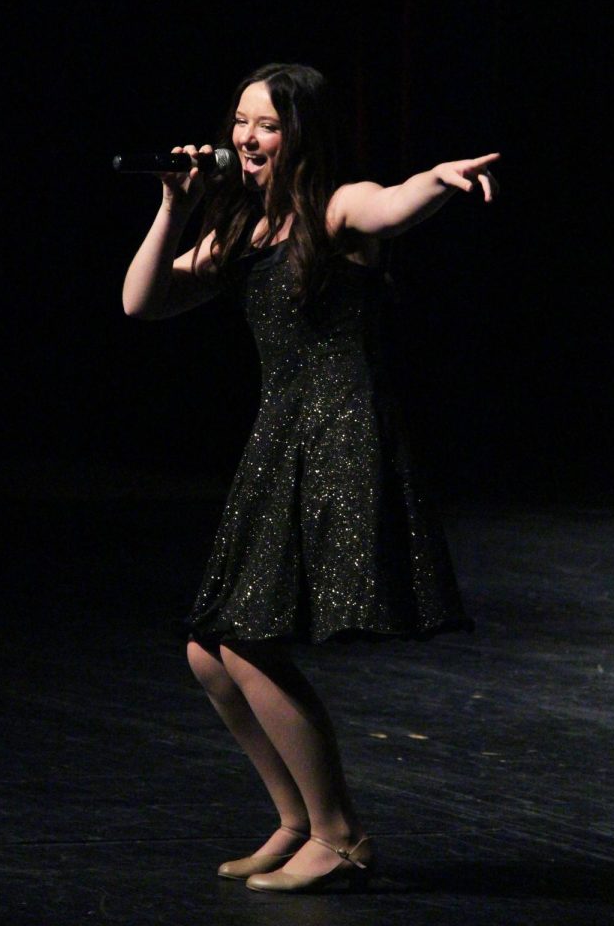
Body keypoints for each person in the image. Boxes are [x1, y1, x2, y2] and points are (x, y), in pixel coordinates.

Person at [122, 62, 499, 893]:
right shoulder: (245, 232)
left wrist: (436, 179)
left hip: (340, 436)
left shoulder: (335, 208)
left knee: (247, 640)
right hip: (279, 439)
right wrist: (172, 206)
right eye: (240, 122)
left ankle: (342, 834)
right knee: (207, 652)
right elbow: (139, 302)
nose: (247, 139)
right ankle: (296, 821)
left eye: (267, 124)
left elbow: (390, 202)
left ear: (301, 133)